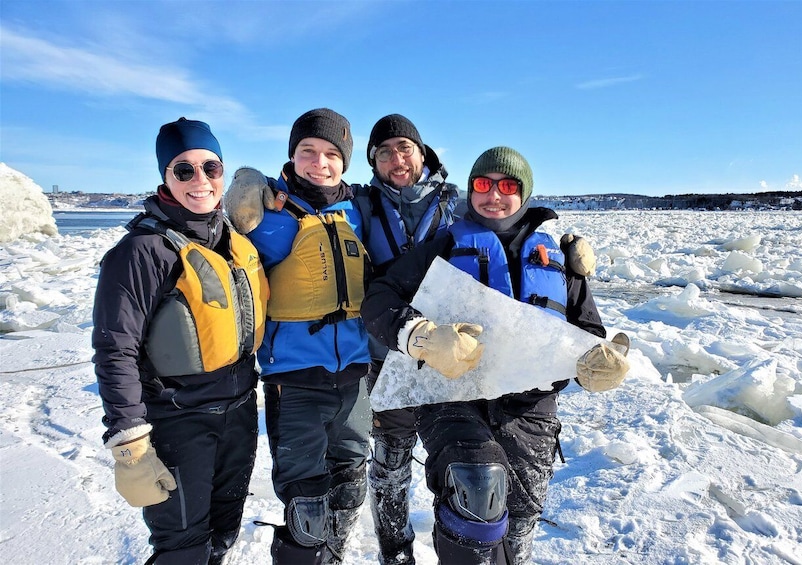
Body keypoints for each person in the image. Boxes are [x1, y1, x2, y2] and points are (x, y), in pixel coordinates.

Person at [361, 146, 629, 564]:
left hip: (532, 405)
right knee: (476, 489)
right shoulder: (446, 245)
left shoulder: (558, 257)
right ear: (470, 191)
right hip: (454, 398)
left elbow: (587, 331)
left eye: (507, 186)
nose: (494, 195)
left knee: (518, 525)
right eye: (483, 185)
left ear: (525, 193)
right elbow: (379, 301)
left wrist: (597, 362)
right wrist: (420, 334)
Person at [93, 117, 268, 565]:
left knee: (224, 533)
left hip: (239, 412)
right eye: (183, 170)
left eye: (210, 168)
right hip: (178, 422)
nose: (200, 181)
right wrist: (130, 443)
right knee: (182, 549)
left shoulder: (233, 240)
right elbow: (116, 350)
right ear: (165, 178)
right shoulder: (140, 252)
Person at [223, 108, 371, 564]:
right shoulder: (266, 209)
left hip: (355, 375)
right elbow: (212, 241)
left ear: (344, 161)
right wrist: (240, 188)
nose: (319, 163)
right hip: (295, 377)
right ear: (292, 155)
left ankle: (335, 556)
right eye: (308, 151)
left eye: (331, 154)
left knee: (349, 484)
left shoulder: (359, 211)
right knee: (306, 505)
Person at [354, 114, 459, 565]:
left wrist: (555, 251)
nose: (396, 159)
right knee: (391, 465)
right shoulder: (359, 204)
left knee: (455, 464)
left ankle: (458, 550)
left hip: (448, 357)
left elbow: (504, 228)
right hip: (388, 352)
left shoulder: (457, 204)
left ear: (422, 153)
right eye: (384, 153)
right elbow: (308, 199)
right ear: (373, 163)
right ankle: (396, 556)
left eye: (404, 148)